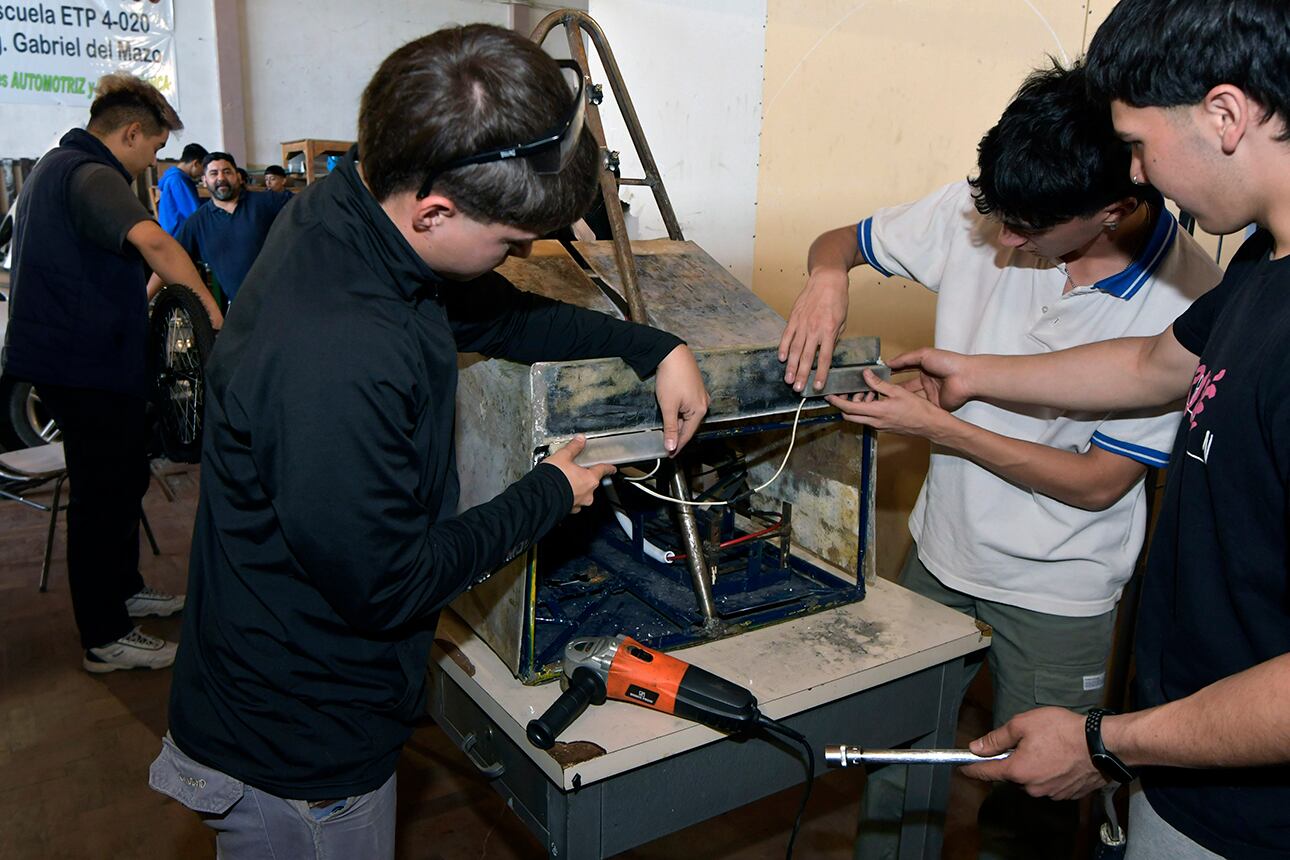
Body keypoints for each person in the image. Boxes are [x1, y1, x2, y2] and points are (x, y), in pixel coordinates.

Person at [149, 24, 709, 857]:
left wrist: (653, 345)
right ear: (436, 209)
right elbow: (389, 585)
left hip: (313, 690)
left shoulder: (356, 212)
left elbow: (498, 315)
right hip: (301, 755)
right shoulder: (335, 350)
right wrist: (551, 493)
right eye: (509, 243)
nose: (512, 257)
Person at [877, 3, 1290, 858]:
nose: (1137, 172)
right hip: (1188, 766)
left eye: (1138, 144)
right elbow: (1148, 366)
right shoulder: (1261, 264)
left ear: (1225, 114)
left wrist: (1106, 744)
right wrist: (975, 373)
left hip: (1255, 817)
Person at [778, 62, 1220, 860]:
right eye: (997, 214)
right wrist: (824, 277)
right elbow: (841, 239)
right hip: (942, 553)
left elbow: (1096, 484)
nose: (1004, 240)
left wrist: (941, 427)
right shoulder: (984, 210)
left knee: (1037, 801)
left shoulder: (1190, 302)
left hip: (1059, 589)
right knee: (898, 763)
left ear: (1113, 207)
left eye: (1028, 231)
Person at [1, 74, 222, 672]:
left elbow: (114, 264)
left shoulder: (55, 168)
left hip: (85, 362)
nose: (154, 161)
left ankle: (123, 589)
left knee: (121, 482)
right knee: (101, 497)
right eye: (153, 148)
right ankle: (105, 636)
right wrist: (213, 320)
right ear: (129, 132)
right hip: (83, 366)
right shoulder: (88, 173)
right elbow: (156, 243)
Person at [159, 152, 293, 304]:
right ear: (204, 180)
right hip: (242, 309)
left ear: (238, 176)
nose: (221, 178)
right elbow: (169, 259)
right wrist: (146, 297)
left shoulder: (267, 203)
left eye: (227, 172)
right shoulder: (198, 223)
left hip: (286, 299)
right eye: (214, 173)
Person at [156, 141, 207, 236]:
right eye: (203, 168)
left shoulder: (172, 177)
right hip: (178, 236)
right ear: (195, 163)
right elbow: (194, 214)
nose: (203, 173)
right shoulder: (178, 180)